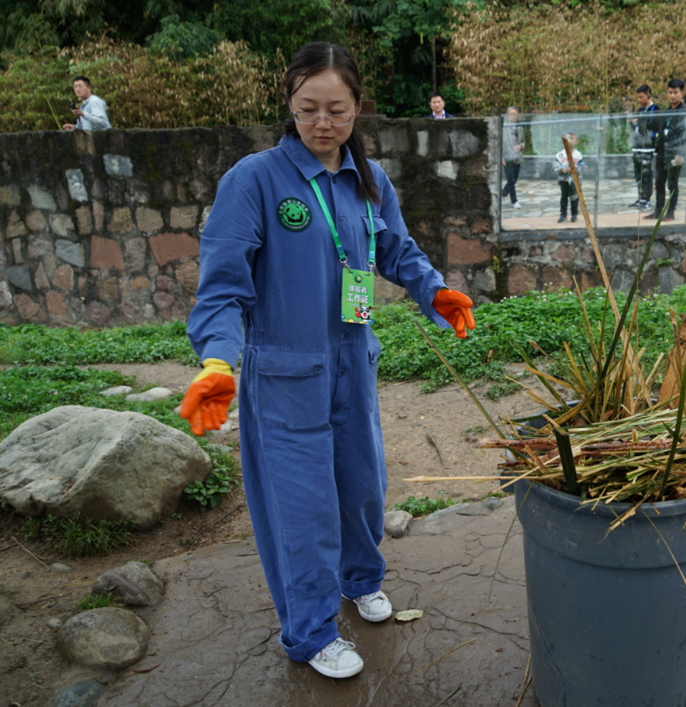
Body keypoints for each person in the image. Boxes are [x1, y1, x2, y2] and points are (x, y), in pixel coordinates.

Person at [180, 42, 476, 680]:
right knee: (302, 510)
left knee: (363, 491)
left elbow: (395, 250)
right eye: (309, 108)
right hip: (285, 376)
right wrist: (217, 362)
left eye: (336, 110)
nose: (322, 123)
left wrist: (434, 290)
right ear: (289, 103)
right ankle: (310, 633)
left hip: (352, 364)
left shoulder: (367, 181)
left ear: (357, 109)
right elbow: (223, 288)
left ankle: (361, 578)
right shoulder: (255, 181)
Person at [645, 79, 686, 222]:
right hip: (662, 152)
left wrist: (680, 154)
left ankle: (670, 212)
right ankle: (658, 211)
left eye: (675, 92)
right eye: (670, 92)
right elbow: (659, 133)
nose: (672, 95)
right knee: (659, 182)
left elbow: (685, 135)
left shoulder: (685, 113)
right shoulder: (666, 112)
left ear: (682, 93)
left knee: (672, 183)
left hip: (675, 153)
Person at [628, 84, 659, 211]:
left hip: (648, 147)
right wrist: (631, 123)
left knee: (646, 174)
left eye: (641, 97)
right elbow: (637, 129)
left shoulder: (655, 109)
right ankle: (641, 197)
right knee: (638, 174)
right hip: (637, 147)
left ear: (649, 95)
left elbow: (656, 128)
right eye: (638, 97)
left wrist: (640, 123)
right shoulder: (640, 111)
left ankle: (647, 199)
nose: (639, 100)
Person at [553, 132, 584, 223]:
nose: (568, 140)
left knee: (574, 197)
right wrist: (561, 169)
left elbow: (583, 166)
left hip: (575, 181)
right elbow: (555, 165)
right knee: (564, 198)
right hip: (564, 180)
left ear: (576, 142)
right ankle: (563, 215)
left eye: (571, 138)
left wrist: (575, 168)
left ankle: (574, 214)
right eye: (567, 138)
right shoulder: (560, 155)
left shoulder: (578, 155)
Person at [501, 106, 525, 209]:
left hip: (517, 157)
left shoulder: (520, 128)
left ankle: (502, 194)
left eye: (515, 114)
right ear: (507, 115)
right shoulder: (503, 127)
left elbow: (523, 142)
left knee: (514, 180)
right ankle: (514, 201)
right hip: (507, 157)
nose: (513, 116)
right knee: (510, 180)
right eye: (511, 114)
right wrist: (500, 157)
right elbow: (499, 144)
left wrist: (520, 146)